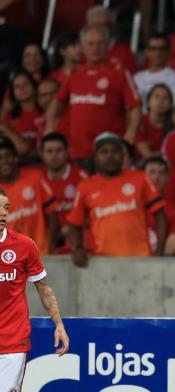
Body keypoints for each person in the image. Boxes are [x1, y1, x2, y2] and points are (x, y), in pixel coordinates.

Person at [0, 188, 69, 391]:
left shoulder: (23, 245)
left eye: (6, 207)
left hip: (12, 342)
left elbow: (44, 288)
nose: (3, 213)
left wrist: (59, 324)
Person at [45, 25, 142, 169]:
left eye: (100, 43)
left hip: (108, 151)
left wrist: (130, 134)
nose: (95, 48)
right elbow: (57, 102)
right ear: (83, 46)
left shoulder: (119, 72)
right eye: (90, 43)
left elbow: (135, 106)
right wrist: (49, 127)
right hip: (77, 151)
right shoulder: (74, 73)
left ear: (107, 46)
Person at [67, 132, 167, 266]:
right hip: (103, 261)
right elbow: (74, 223)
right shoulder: (85, 186)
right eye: (104, 152)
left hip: (141, 258)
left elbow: (160, 215)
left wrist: (159, 252)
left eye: (115, 151)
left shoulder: (140, 178)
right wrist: (77, 248)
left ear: (123, 155)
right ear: (95, 157)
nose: (110, 156)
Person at [0, 137, 59, 255]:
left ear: (15, 158)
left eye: (8, 155)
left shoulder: (35, 178)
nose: (4, 161)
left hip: (40, 253)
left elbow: (52, 212)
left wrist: (50, 242)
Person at [41, 133, 88, 252]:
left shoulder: (82, 177)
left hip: (79, 236)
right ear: (42, 154)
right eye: (49, 151)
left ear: (68, 151)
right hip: (49, 239)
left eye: (58, 150)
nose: (54, 156)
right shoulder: (37, 180)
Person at [134, 34, 175, 108]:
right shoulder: (137, 77)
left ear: (168, 52)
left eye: (162, 49)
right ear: (146, 52)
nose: (157, 53)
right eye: (153, 49)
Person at [2, 69, 43, 155]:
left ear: (34, 86)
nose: (21, 89)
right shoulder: (9, 117)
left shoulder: (45, 112)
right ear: (13, 93)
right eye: (17, 87)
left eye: (26, 84)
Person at [86, 5, 137, 74]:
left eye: (105, 25)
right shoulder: (80, 51)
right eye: (96, 25)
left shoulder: (124, 52)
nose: (101, 28)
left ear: (112, 26)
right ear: (88, 26)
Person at [135, 84, 174, 159]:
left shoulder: (173, 124)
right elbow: (145, 152)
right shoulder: (139, 121)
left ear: (170, 105)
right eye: (156, 97)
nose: (160, 101)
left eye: (165, 98)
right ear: (148, 102)